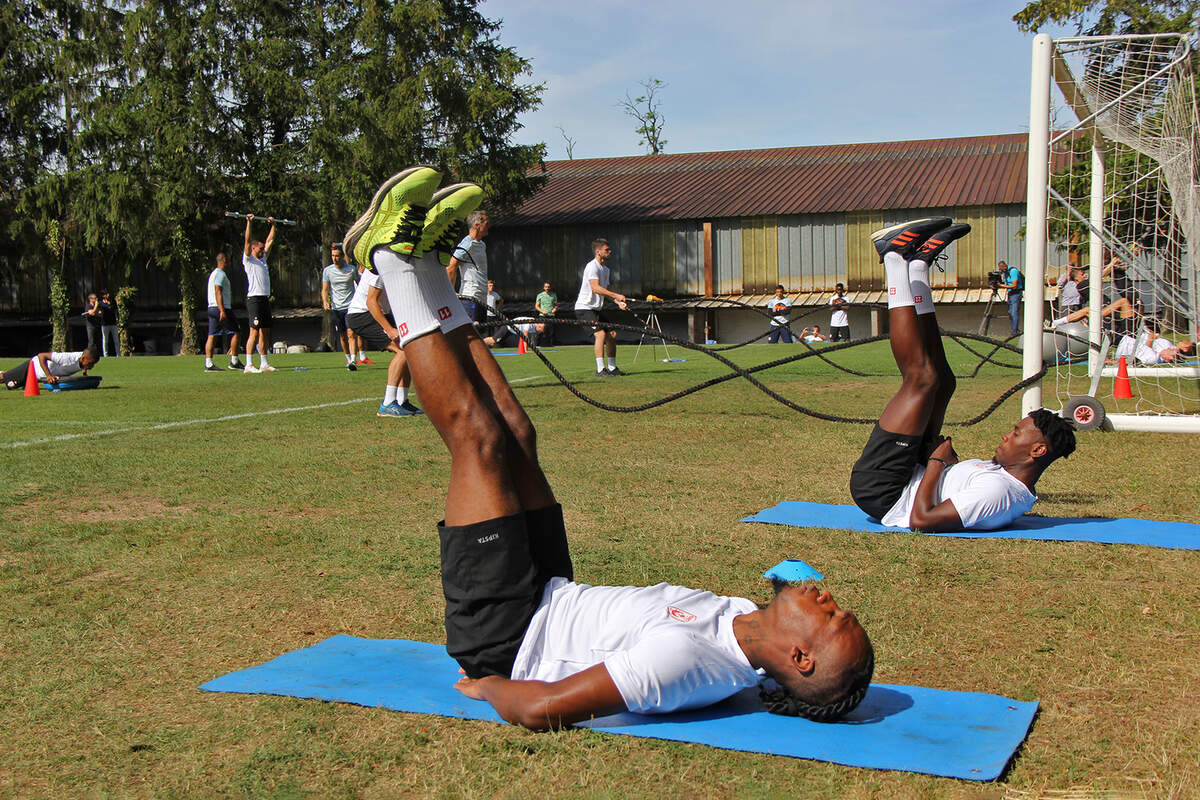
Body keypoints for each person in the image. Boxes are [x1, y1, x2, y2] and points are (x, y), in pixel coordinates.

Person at [344, 166, 874, 729]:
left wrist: (494, 684)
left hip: (508, 634)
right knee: (518, 435)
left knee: (479, 441)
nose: (827, 597)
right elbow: (786, 591)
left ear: (801, 657)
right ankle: (425, 263)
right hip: (553, 588)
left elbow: (543, 707)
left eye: (834, 617)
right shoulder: (747, 623)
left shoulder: (688, 664)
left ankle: (391, 261)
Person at [850, 219, 1077, 532]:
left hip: (883, 488)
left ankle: (892, 256)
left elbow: (921, 521)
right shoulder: (1008, 481)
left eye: (1015, 433)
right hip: (910, 471)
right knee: (944, 382)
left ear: (1037, 451)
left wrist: (937, 464)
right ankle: (917, 267)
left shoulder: (999, 494)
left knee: (923, 380)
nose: (1005, 436)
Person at [344, 264, 421, 417]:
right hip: (361, 315)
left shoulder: (395, 266)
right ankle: (387, 403)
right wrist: (389, 329)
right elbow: (371, 302)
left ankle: (402, 401)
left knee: (408, 350)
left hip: (379, 313)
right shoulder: (379, 267)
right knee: (402, 352)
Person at [574, 238, 628, 376]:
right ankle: (600, 370)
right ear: (598, 252)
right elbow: (596, 288)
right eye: (607, 250)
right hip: (584, 308)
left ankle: (612, 368)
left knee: (612, 334)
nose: (610, 252)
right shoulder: (592, 266)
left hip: (596, 309)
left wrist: (618, 302)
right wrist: (616, 295)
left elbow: (605, 292)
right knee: (601, 334)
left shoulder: (606, 270)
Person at [242, 214, 278, 374]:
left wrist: (273, 225)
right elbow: (247, 241)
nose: (263, 250)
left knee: (265, 331)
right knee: (254, 332)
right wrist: (249, 223)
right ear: (253, 248)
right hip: (254, 299)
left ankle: (264, 363)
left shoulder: (263, 260)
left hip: (264, 299)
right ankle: (248, 364)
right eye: (260, 249)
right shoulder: (248, 260)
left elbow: (270, 241)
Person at [446, 210, 490, 327]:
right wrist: (451, 292)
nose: (488, 225)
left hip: (482, 297)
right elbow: (451, 266)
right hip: (470, 296)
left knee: (480, 333)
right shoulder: (467, 243)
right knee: (471, 336)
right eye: (486, 222)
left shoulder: (481, 244)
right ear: (477, 225)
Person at [204, 253, 244, 371]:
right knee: (236, 332)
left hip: (211, 307)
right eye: (227, 261)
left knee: (212, 335)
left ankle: (209, 364)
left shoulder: (213, 274)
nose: (228, 264)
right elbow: (218, 291)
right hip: (221, 308)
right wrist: (222, 310)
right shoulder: (220, 274)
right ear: (223, 261)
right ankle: (234, 361)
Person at [322, 242, 359, 371]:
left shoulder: (352, 269)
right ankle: (348, 358)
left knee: (351, 333)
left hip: (351, 306)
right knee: (342, 336)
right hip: (336, 308)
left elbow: (359, 285)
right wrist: (325, 301)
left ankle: (354, 361)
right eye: (333, 255)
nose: (334, 258)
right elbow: (325, 289)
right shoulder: (327, 271)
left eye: (337, 256)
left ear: (342, 256)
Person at [4, 349, 99, 390]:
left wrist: (84, 371)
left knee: (11, 378)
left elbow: (81, 365)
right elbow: (41, 356)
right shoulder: (67, 358)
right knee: (4, 379)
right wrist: (49, 376)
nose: (92, 366)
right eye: (91, 363)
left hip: (38, 377)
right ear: (83, 359)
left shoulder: (83, 359)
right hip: (33, 367)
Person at [998, 260, 1023, 336]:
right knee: (1010, 312)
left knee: (1014, 312)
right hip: (1010, 293)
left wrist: (1001, 286)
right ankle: (1015, 329)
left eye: (1001, 269)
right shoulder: (1005, 273)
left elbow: (1014, 285)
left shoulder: (1013, 271)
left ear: (1004, 266)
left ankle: (1015, 331)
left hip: (1016, 293)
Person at [534, 281, 558, 346]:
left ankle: (550, 344)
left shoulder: (553, 295)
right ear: (543, 287)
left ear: (550, 287)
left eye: (548, 287)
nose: (547, 288)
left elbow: (556, 305)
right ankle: (537, 345)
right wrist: (542, 311)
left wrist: (554, 309)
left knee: (551, 331)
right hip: (542, 315)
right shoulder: (540, 295)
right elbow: (536, 306)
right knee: (540, 331)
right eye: (546, 287)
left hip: (551, 315)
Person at [98, 290, 119, 357]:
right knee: (105, 341)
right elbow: (99, 313)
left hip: (113, 324)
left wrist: (117, 319)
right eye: (105, 294)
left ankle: (118, 354)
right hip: (105, 324)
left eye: (107, 293)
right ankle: (105, 355)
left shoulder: (113, 301)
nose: (107, 295)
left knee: (116, 340)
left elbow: (116, 311)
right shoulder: (100, 303)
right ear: (103, 296)